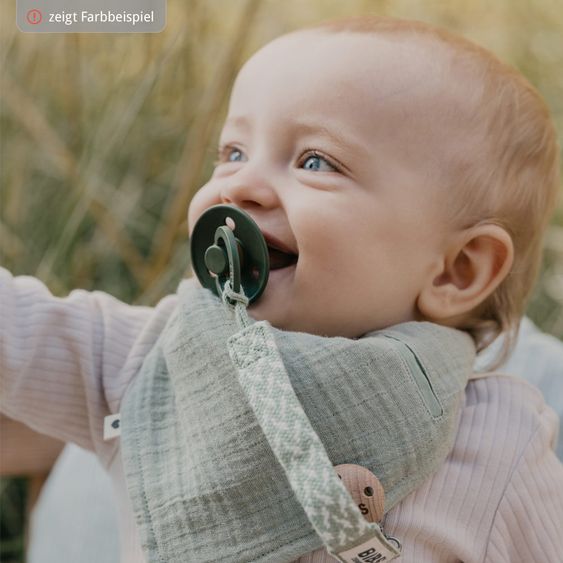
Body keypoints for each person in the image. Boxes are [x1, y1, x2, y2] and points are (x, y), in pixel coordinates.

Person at [1, 15, 562, 562]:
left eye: (316, 161)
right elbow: (20, 332)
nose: (240, 185)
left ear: (456, 270)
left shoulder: (500, 442)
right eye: (233, 153)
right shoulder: (149, 360)